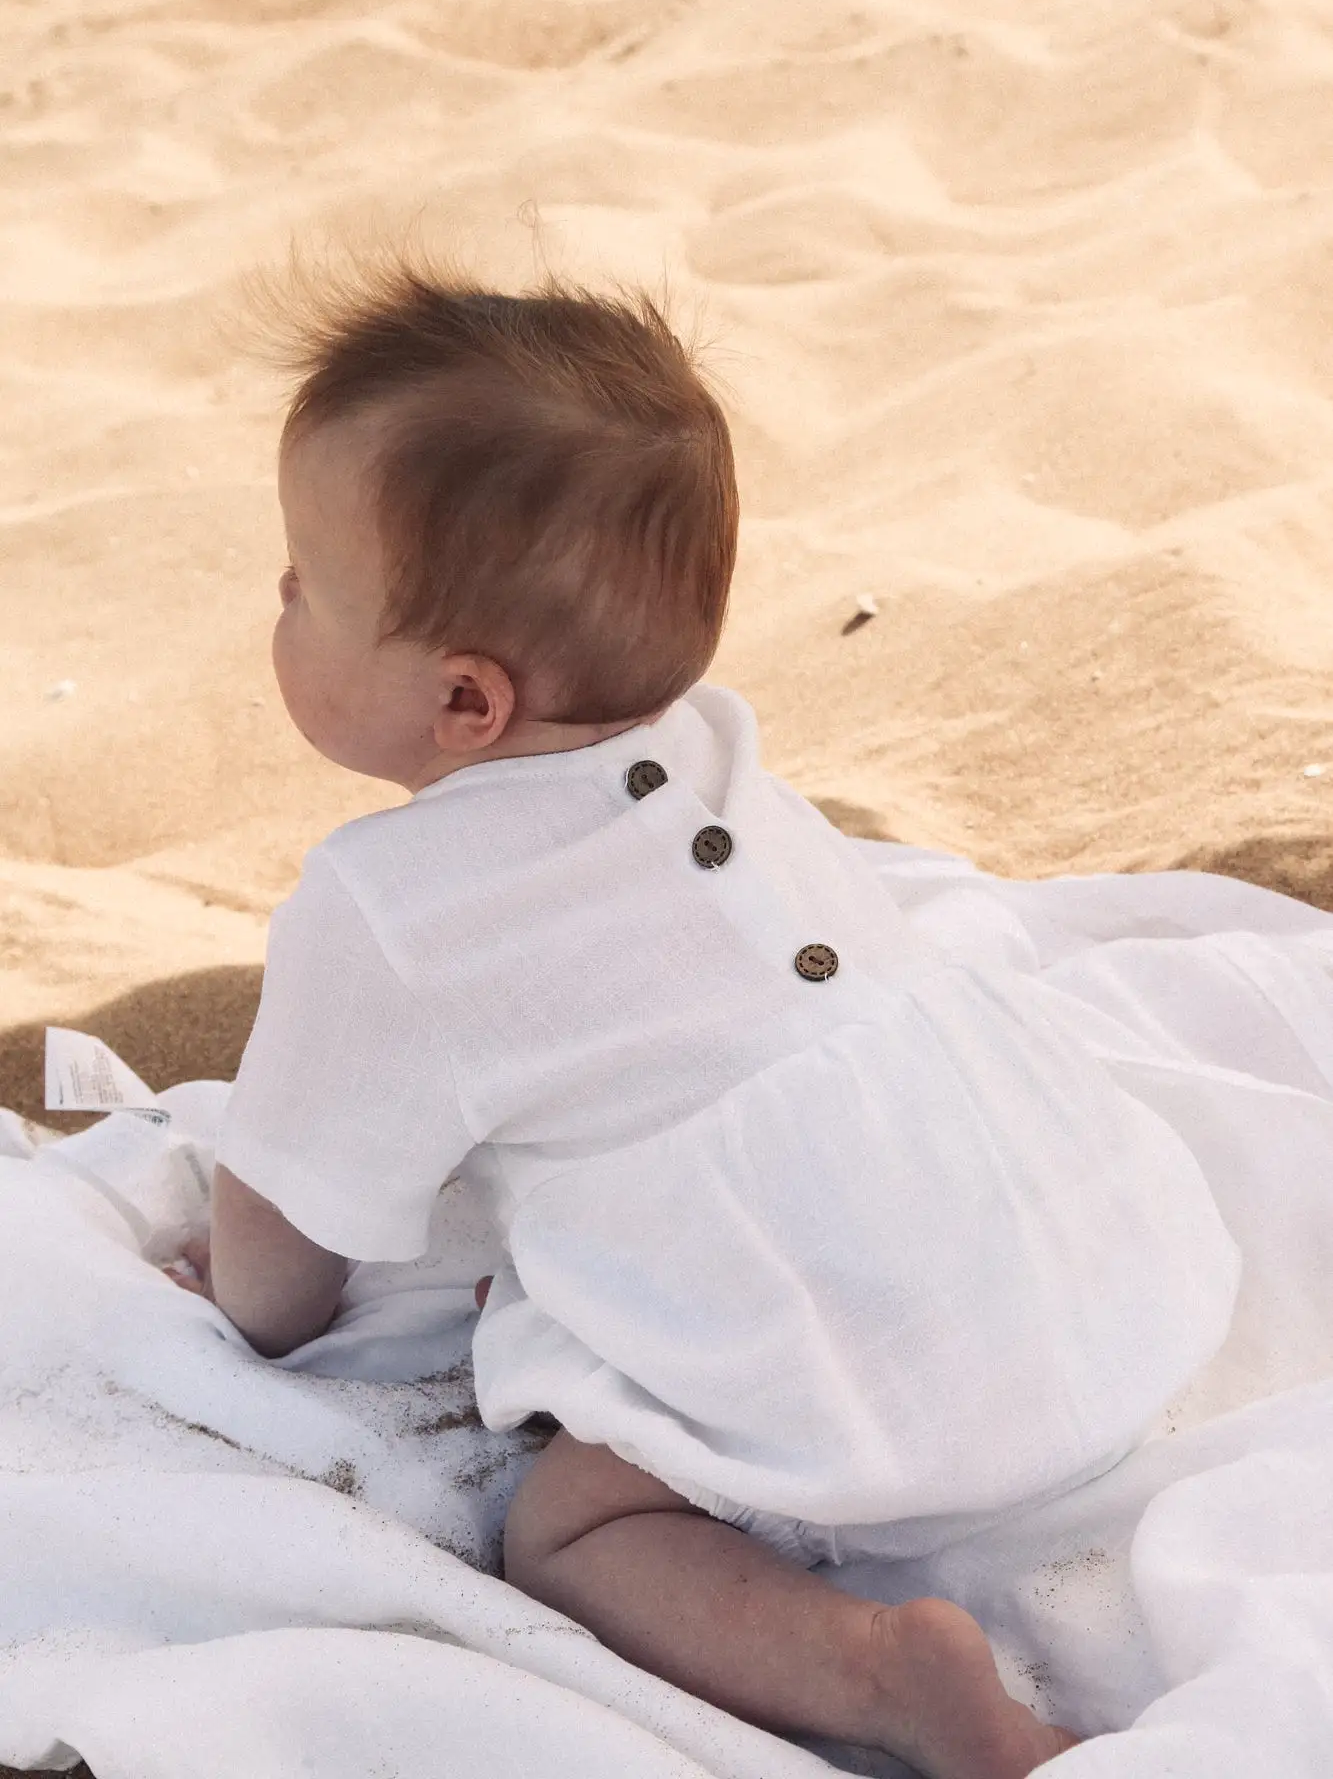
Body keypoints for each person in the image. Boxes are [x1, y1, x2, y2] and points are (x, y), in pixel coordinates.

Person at [170, 255, 1243, 1778]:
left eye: (301, 587)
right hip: (1084, 1281)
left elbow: (285, 1238)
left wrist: (237, 1296)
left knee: (572, 1531)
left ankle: (880, 1671)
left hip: (864, 1374)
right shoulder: (714, 746)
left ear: (466, 705)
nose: (275, 603)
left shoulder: (389, 910)